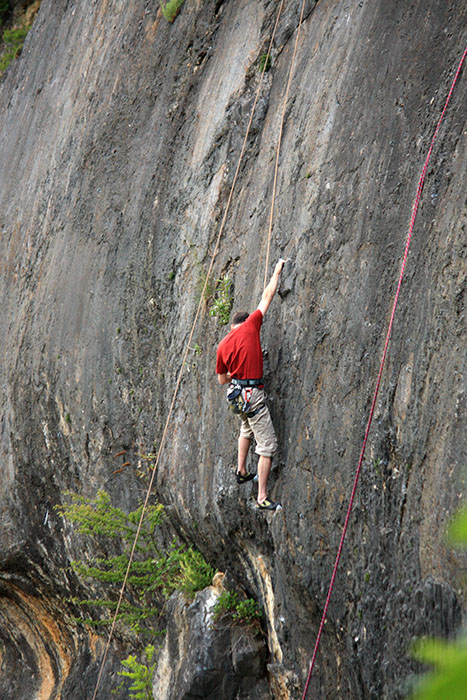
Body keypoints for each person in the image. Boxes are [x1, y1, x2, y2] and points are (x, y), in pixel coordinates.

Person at [216, 259, 285, 510]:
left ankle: (242, 470)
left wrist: (236, 372)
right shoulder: (251, 325)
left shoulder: (223, 344)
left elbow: (222, 379)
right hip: (252, 395)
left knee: (246, 428)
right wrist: (276, 271)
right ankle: (262, 496)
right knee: (267, 445)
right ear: (245, 322)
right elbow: (267, 295)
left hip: (236, 395)